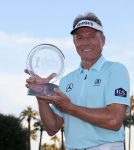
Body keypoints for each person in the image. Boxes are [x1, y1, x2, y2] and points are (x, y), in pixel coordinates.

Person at [25, 12, 130, 150]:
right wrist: (41, 96)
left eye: (92, 36)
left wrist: (69, 107)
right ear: (74, 42)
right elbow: (52, 128)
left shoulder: (115, 70)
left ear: (103, 40)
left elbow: (114, 120)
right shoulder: (66, 80)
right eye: (80, 37)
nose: (85, 42)